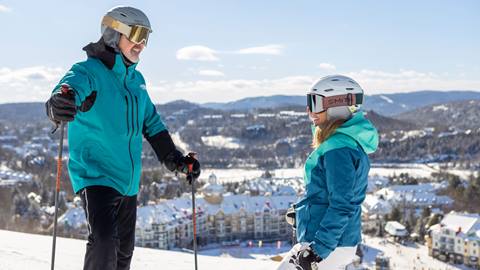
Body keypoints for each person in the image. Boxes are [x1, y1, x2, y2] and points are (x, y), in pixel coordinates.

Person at [45, 6, 200, 270]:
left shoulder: (136, 81)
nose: (141, 44)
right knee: (104, 243)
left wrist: (175, 159)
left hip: (128, 183)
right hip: (95, 176)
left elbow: (151, 123)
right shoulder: (89, 71)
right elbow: (68, 89)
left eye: (146, 37)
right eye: (137, 34)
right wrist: (59, 102)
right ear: (113, 34)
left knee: (123, 254)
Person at [278, 75, 378, 270]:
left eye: (314, 103)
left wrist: (317, 252)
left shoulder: (338, 150)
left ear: (337, 105)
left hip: (327, 246)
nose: (309, 110)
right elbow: (325, 195)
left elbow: (342, 204)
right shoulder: (343, 145)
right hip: (330, 243)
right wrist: (301, 214)